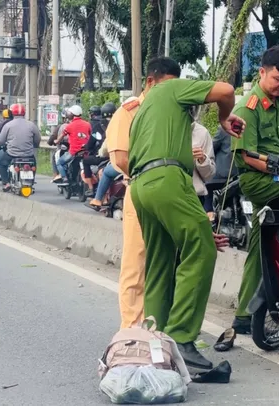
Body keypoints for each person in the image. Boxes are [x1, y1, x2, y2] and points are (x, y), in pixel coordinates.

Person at [126, 56, 242, 369]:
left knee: (161, 262)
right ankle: (182, 340)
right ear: (159, 80)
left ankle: (157, 342)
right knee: (203, 248)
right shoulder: (172, 88)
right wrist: (224, 118)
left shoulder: (140, 115)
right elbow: (226, 89)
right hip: (167, 179)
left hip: (139, 186)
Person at [107, 87, 230, 333]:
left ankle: (161, 328)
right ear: (151, 83)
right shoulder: (132, 111)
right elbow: (121, 159)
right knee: (139, 260)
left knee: (173, 260)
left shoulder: (193, 128)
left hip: (185, 194)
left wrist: (199, 160)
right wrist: (151, 177)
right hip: (149, 189)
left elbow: (208, 173)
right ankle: (134, 329)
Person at [229, 46, 279, 334]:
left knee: (261, 247)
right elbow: (246, 156)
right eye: (278, 79)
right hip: (259, 180)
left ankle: (246, 314)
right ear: (261, 73)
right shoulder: (246, 108)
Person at [0, 103, 41, 191]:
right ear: (24, 113)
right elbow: (37, 138)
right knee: (33, 164)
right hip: (28, 154)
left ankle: (6, 183)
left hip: (12, 154)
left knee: (1, 163)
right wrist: (35, 145)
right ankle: (31, 181)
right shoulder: (31, 125)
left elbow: (0, 141)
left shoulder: (8, 125)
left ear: (12, 114)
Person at [203, 126, 238, 221]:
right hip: (240, 176)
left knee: (206, 188)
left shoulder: (224, 129)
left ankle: (209, 216)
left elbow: (212, 148)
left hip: (222, 175)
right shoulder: (252, 130)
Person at [53, 105, 91, 185]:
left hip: (73, 152)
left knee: (60, 162)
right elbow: (91, 135)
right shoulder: (87, 124)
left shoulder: (69, 126)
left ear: (71, 115)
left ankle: (65, 178)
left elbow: (61, 136)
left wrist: (56, 141)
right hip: (85, 151)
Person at [82, 105, 110, 196]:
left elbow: (91, 142)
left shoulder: (98, 125)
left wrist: (87, 147)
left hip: (103, 155)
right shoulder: (118, 123)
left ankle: (91, 188)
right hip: (117, 155)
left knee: (85, 161)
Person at [190, 116, 216, 206]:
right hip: (164, 194)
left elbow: (209, 175)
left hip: (194, 196)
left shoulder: (201, 133)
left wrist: (202, 159)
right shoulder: (161, 130)